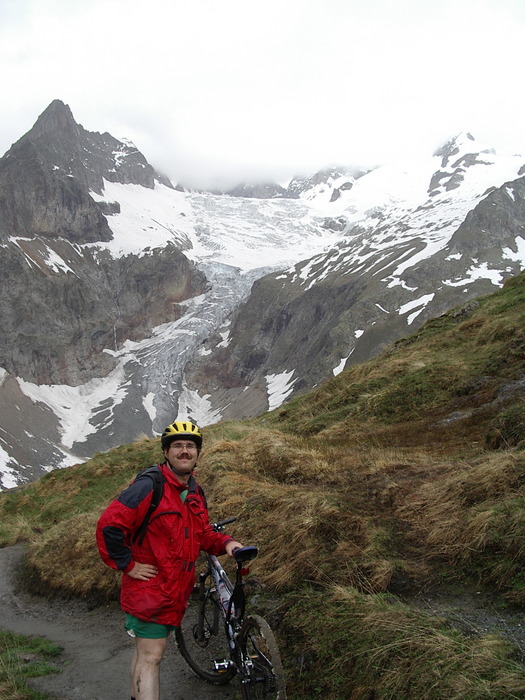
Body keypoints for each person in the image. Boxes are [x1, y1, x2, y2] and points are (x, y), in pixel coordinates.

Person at [96, 420, 243, 700]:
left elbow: (201, 533)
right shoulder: (149, 486)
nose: (184, 451)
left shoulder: (195, 491)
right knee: (152, 656)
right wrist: (128, 565)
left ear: (198, 453)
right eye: (177, 446)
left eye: (190, 446)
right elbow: (109, 526)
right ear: (166, 452)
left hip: (174, 589)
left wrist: (227, 543)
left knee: (145, 654)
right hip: (150, 588)